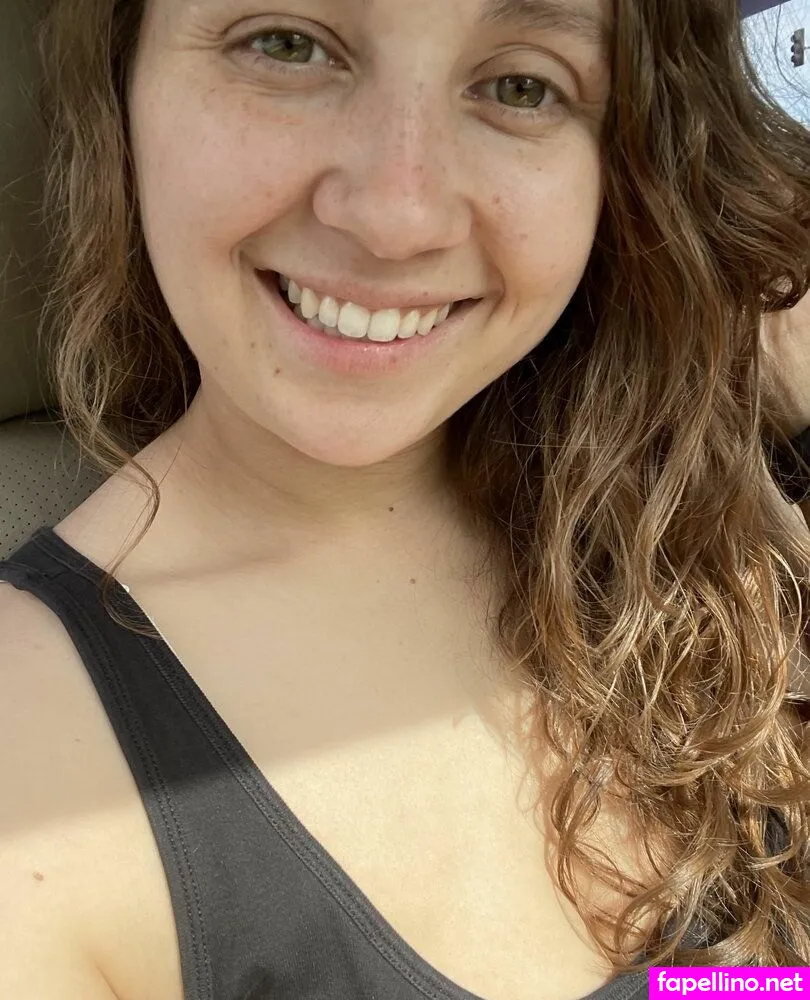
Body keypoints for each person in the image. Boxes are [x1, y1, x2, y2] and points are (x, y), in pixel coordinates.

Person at [0, 0, 808, 997]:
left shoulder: (662, 496)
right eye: (286, 45)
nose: (396, 217)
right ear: (123, 81)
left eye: (521, 86)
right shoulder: (28, 764)